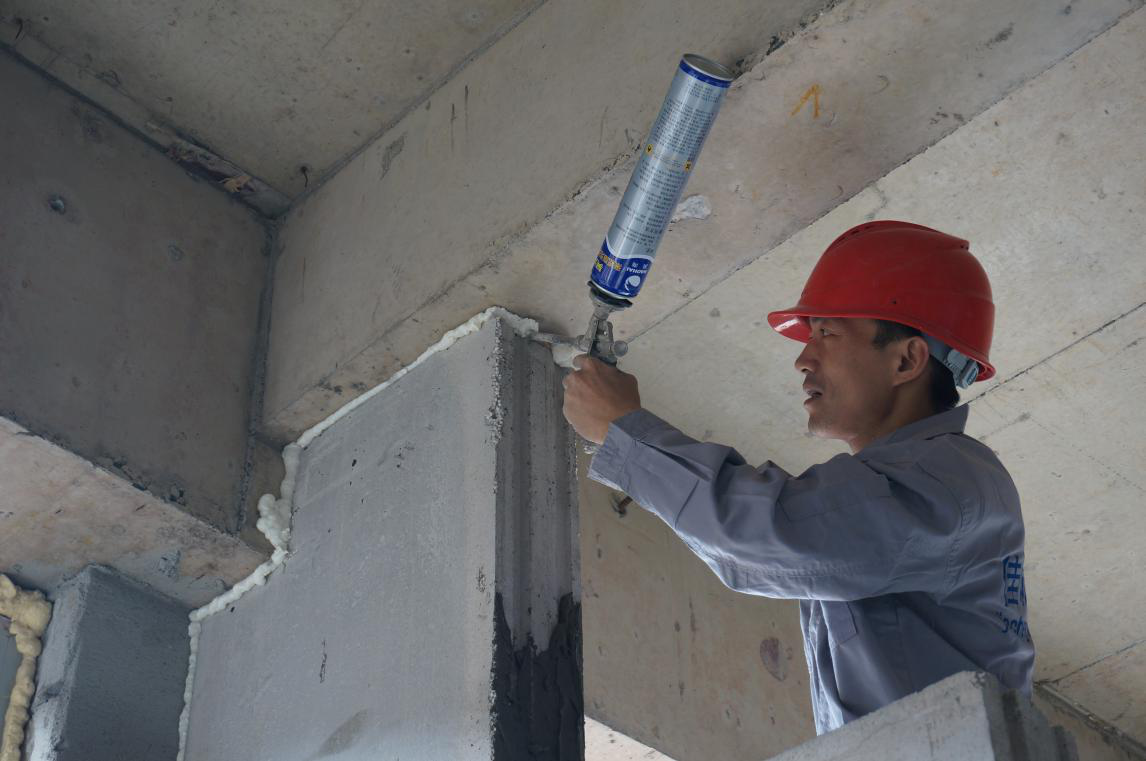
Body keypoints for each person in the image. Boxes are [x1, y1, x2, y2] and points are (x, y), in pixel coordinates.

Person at [562, 220, 1034, 734]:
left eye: (827, 333)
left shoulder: (949, 479)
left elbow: (773, 535)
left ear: (907, 359)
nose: (803, 359)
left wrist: (626, 434)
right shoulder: (913, 490)